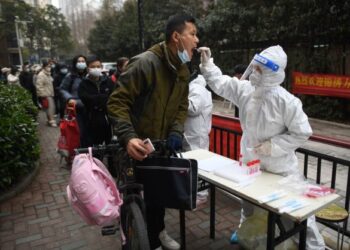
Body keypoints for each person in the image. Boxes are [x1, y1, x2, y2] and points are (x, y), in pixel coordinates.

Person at [199, 45, 325, 249]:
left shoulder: (287, 102)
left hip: (280, 170)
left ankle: (314, 248)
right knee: (249, 205)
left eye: (260, 69)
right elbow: (222, 84)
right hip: (252, 164)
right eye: (255, 67)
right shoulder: (246, 90)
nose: (255, 72)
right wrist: (208, 64)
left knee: (295, 214)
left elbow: (302, 131)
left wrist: (273, 146)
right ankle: (247, 234)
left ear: (272, 72)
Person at [107, 14, 199, 250]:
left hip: (159, 145)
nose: (197, 41)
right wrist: (128, 137)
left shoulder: (182, 70)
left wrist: (176, 132)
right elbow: (117, 103)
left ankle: (157, 234)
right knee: (135, 198)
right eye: (193, 34)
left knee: (158, 196)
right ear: (176, 37)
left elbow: (181, 105)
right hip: (135, 146)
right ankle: (131, 232)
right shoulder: (145, 63)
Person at [78, 55, 115, 147]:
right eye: (93, 67)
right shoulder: (83, 84)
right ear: (87, 68)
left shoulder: (108, 81)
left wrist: (96, 98)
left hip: (107, 119)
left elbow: (113, 97)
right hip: (91, 119)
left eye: (98, 67)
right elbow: (86, 99)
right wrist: (103, 98)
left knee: (110, 146)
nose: (96, 69)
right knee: (94, 147)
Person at [59, 55, 88, 147]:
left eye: (83, 61)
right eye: (79, 61)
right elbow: (62, 89)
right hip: (76, 109)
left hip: (89, 108)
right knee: (78, 132)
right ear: (75, 63)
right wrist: (69, 98)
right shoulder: (70, 76)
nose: (81, 63)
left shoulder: (89, 75)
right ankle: (78, 155)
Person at [183, 74, 213, 151]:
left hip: (195, 136)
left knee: (197, 159)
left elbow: (194, 108)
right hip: (193, 134)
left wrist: (178, 99)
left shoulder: (197, 88)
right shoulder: (194, 87)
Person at [36, 61, 57, 127]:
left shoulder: (48, 74)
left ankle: (49, 121)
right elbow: (39, 86)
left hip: (50, 93)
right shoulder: (41, 75)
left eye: (50, 66)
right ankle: (52, 121)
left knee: (49, 108)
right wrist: (43, 95)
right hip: (46, 94)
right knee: (50, 108)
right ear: (44, 67)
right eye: (48, 66)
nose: (49, 67)